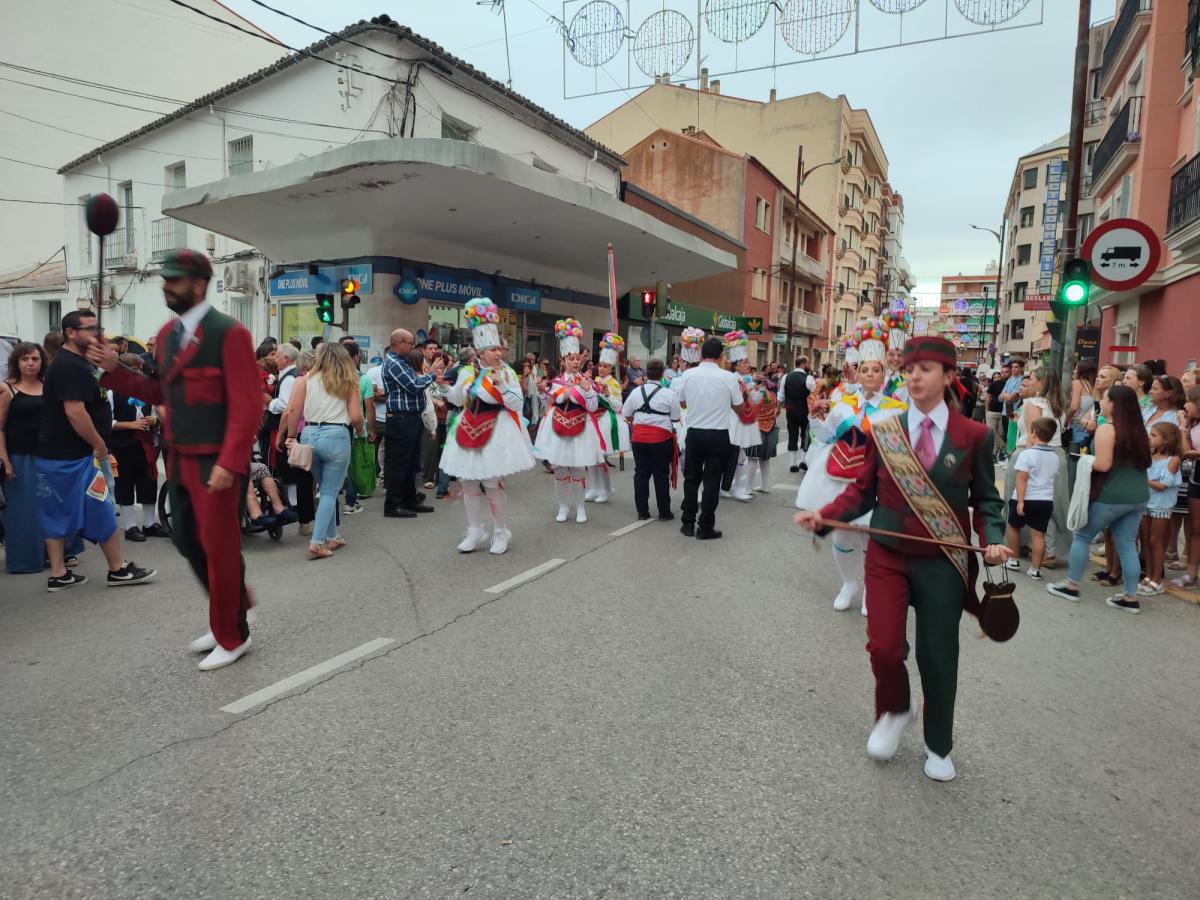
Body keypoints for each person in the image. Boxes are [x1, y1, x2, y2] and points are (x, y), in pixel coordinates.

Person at [796, 335, 1011, 783]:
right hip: (888, 555)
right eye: (909, 369)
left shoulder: (974, 435)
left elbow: (987, 501)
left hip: (943, 559)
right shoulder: (885, 429)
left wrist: (993, 538)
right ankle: (895, 710)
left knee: (938, 656)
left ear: (948, 377)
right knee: (885, 646)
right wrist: (825, 517)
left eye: (925, 369)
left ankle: (939, 744)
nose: (914, 377)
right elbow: (862, 492)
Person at [90, 249, 260, 670]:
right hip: (178, 455)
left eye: (174, 280)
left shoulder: (228, 332)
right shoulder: (167, 335)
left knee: (220, 549)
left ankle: (233, 635)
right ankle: (233, 608)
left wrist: (230, 462)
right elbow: (159, 392)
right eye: (165, 279)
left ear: (198, 284)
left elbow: (247, 404)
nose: (166, 286)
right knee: (185, 538)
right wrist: (114, 368)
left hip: (216, 460)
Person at [38, 311, 155, 593]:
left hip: (66, 454)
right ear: (70, 332)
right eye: (89, 329)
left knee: (58, 512)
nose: (96, 333)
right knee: (100, 507)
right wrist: (99, 445)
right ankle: (117, 569)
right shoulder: (69, 366)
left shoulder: (82, 363)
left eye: (97, 327)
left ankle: (59, 574)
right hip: (75, 455)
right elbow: (75, 412)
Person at [795, 319, 906, 615]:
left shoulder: (897, 410)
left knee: (872, 538)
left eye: (876, 370)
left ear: (884, 374)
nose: (869, 374)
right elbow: (825, 438)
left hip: (878, 481)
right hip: (842, 478)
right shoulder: (841, 403)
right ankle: (848, 584)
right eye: (864, 369)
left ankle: (870, 590)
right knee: (843, 534)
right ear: (857, 372)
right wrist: (814, 418)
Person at [440, 299, 534, 554]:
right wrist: (443, 387)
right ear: (480, 352)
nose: (498, 353)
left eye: (499, 349)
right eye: (493, 349)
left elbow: (516, 403)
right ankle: (475, 530)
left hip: (496, 429)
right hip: (468, 426)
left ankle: (500, 531)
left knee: (492, 484)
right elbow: (458, 399)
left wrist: (501, 386)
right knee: (468, 482)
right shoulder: (466, 372)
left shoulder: (507, 373)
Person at [1047, 384, 1151, 613]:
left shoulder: (1107, 429)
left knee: (1082, 535)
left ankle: (1072, 585)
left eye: (1104, 399)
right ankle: (1131, 596)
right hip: (1138, 495)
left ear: (1114, 405)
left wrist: (1083, 460)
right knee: (1127, 544)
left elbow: (1103, 464)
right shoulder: (1138, 430)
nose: (1100, 402)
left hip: (1111, 495)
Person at [283, 342, 365, 558]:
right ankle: (317, 543)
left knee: (325, 487)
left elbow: (293, 409)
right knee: (329, 491)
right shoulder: (349, 380)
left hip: (309, 434)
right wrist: (360, 430)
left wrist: (291, 436)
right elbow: (356, 416)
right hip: (336, 435)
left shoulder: (305, 379)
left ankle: (332, 537)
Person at [534, 319, 603, 524]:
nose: (575, 362)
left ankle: (580, 507)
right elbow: (548, 403)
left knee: (578, 470)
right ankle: (563, 507)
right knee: (560, 469)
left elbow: (592, 407)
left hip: (581, 428)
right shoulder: (555, 382)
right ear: (563, 360)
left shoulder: (587, 381)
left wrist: (587, 390)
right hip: (558, 427)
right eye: (571, 358)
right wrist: (541, 392)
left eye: (578, 359)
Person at [675, 336, 742, 540]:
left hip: (695, 432)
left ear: (701, 354)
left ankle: (687, 523)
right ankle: (705, 526)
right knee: (712, 480)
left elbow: (682, 403)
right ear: (721, 356)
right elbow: (738, 406)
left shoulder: (688, 374)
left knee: (691, 478)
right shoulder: (728, 377)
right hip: (718, 433)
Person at [1005, 365, 1069, 567]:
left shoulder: (1033, 403)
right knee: (1049, 503)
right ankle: (1049, 550)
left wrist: (1028, 460)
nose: (1028, 381)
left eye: (1032, 378)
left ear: (1041, 382)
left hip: (1033, 455)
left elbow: (1034, 437)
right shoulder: (1058, 405)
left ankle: (1021, 547)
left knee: (1020, 500)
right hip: (1056, 455)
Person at [381, 328, 446, 519]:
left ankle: (409, 499)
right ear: (398, 343)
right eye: (410, 343)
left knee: (412, 463)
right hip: (401, 419)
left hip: (411, 417)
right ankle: (393, 504)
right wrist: (431, 374)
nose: (413, 346)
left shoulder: (403, 361)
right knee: (399, 463)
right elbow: (414, 385)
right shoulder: (393, 363)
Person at [0, 342, 49, 573]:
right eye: (25, 359)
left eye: (35, 359)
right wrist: (5, 460)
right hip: (19, 457)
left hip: (49, 455)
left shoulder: (49, 387)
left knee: (50, 505)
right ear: (17, 362)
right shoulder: (8, 390)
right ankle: (25, 560)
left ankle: (56, 554)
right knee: (23, 510)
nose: (30, 363)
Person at [108, 352, 167, 542]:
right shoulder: (111, 392)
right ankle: (130, 526)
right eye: (134, 370)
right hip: (122, 445)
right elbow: (106, 421)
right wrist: (130, 425)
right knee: (124, 484)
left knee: (148, 482)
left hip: (145, 444)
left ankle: (149, 524)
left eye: (140, 369)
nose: (139, 373)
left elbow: (157, 413)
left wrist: (155, 420)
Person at [621, 357, 680, 521]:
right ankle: (664, 512)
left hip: (639, 438)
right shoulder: (669, 394)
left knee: (641, 473)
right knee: (661, 474)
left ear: (646, 373)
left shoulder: (636, 392)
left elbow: (626, 413)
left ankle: (642, 512)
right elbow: (676, 418)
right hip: (661, 439)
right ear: (662, 375)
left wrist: (638, 421)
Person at [1004, 417, 1060, 581]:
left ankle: (1013, 559)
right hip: (1045, 500)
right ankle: (1035, 569)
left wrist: (1020, 501)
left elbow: (1022, 478)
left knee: (1013, 526)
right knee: (1039, 535)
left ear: (1034, 433)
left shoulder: (1026, 455)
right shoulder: (1055, 456)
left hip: (1026, 497)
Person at [266, 343, 314, 534]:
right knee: (315, 479)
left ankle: (300, 514)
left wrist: (270, 404)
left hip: (299, 430)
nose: (274, 359)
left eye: (277, 355)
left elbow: (288, 408)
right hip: (319, 430)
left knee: (297, 474)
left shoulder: (292, 379)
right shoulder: (316, 379)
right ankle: (321, 524)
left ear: (285, 358)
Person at [1137, 421, 1183, 597]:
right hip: (1146, 503)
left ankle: (1157, 580)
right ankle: (1149, 576)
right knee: (1146, 541)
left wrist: (1143, 480)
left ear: (1166, 440)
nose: (1150, 438)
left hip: (1161, 507)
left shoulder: (1173, 460)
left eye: (1154, 435)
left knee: (1156, 542)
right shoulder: (1150, 456)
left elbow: (1163, 485)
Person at [586, 332, 630, 504]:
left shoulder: (613, 384)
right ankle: (594, 488)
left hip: (605, 422)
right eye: (600, 365)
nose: (602, 368)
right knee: (590, 458)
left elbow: (618, 406)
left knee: (599, 458)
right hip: (592, 421)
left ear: (611, 368)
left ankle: (606, 488)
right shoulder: (594, 379)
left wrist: (606, 394)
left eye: (605, 366)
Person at [721, 331, 761, 502]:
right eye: (745, 362)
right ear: (736, 365)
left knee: (738, 455)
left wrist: (757, 390)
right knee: (734, 455)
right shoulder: (733, 379)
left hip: (739, 420)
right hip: (733, 420)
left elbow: (752, 400)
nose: (748, 365)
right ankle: (730, 486)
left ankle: (730, 486)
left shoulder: (742, 380)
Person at [744, 368, 779, 493]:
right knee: (765, 459)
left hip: (756, 428)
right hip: (770, 428)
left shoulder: (753, 394)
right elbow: (776, 411)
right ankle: (765, 486)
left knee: (752, 458)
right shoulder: (772, 395)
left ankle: (748, 488)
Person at [778, 355, 814, 472]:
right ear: (803, 364)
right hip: (805, 411)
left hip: (790, 410)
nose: (809, 366)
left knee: (792, 435)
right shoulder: (809, 378)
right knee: (805, 435)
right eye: (808, 363)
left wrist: (778, 408)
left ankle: (792, 463)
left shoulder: (786, 377)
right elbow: (814, 395)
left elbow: (781, 395)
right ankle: (802, 461)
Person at [881, 308, 912, 402]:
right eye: (891, 354)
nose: (896, 358)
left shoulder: (909, 382)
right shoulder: (876, 378)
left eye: (900, 355)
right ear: (884, 355)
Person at [1066, 360, 1097, 450]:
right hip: (1088, 429)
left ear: (1081, 371)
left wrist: (1066, 420)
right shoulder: (1091, 386)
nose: (1074, 371)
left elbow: (1074, 407)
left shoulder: (1077, 383)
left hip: (1076, 426)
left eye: (1076, 368)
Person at [985, 365, 1009, 459]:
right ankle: (1004, 448)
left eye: (1006, 372)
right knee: (991, 433)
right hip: (992, 412)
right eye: (1002, 372)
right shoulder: (994, 384)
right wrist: (986, 411)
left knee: (1001, 434)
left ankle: (995, 453)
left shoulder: (1010, 383)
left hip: (1004, 413)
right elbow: (988, 397)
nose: (1004, 374)